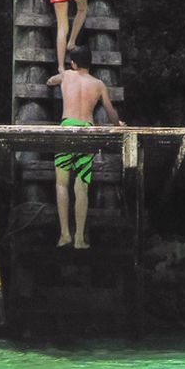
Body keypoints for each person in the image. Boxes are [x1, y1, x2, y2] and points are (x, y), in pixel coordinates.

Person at [46, 45, 125, 249]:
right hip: (87, 130)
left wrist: (56, 78)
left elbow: (50, 81)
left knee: (62, 183)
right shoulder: (98, 84)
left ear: (73, 63)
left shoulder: (66, 75)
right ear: (90, 64)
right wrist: (119, 125)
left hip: (67, 128)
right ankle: (80, 238)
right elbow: (110, 111)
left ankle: (65, 235)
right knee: (81, 186)